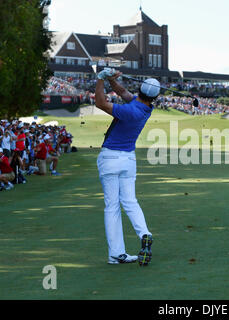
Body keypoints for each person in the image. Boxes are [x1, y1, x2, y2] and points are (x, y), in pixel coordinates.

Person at [95, 68, 154, 266]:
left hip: (110, 157)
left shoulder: (130, 110)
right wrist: (111, 79)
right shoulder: (145, 108)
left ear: (140, 91)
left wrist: (100, 79)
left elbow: (100, 103)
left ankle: (116, 254)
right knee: (130, 201)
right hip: (128, 160)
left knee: (112, 206)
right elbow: (122, 92)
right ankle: (145, 234)